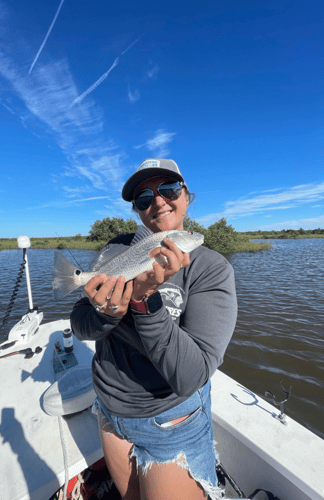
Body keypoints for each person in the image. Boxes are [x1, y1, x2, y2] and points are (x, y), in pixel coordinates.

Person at [70, 158, 237, 500]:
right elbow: (82, 326)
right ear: (137, 210)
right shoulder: (118, 248)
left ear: (186, 196)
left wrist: (145, 301)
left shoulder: (212, 269)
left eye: (169, 189)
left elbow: (191, 375)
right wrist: (106, 312)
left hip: (168, 420)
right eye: (144, 198)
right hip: (108, 406)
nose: (158, 201)